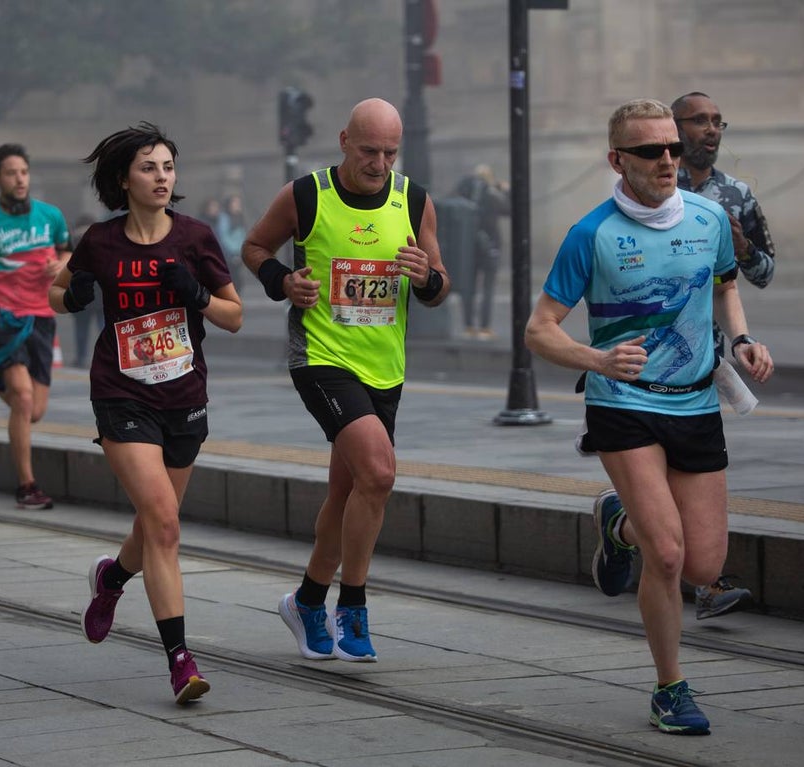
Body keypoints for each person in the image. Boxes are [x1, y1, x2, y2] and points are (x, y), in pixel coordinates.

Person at [524, 99, 773, 735]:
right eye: (650, 151)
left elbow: (723, 284)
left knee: (703, 567)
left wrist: (741, 339)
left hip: (695, 402)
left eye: (672, 148)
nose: (668, 160)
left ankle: (617, 524)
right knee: (666, 554)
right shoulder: (592, 234)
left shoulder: (711, 217)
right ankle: (670, 689)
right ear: (618, 160)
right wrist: (596, 359)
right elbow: (539, 331)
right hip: (623, 404)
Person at [242, 98, 449, 663]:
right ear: (343, 141)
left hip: (385, 366)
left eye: (389, 152)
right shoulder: (306, 195)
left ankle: (308, 599)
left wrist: (427, 276)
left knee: (349, 489)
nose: (379, 163)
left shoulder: (415, 201)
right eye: (368, 151)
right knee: (379, 474)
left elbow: (438, 287)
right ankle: (352, 603)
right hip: (321, 357)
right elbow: (254, 247)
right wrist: (284, 282)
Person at [50, 122, 241, 704]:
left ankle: (112, 578)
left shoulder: (196, 237)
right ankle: (181, 661)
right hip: (121, 394)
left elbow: (234, 317)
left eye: (168, 167)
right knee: (163, 521)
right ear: (123, 181)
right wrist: (75, 296)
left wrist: (197, 294)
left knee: (154, 525)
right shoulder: (101, 242)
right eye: (149, 168)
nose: (162, 178)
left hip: (183, 396)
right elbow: (57, 293)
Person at [673, 91, 777, 619]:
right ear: (674, 130)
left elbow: (763, 272)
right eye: (698, 121)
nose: (710, 130)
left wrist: (742, 251)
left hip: (709, 356)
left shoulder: (736, 195)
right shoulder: (649, 187)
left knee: (698, 466)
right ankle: (642, 535)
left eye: (717, 122)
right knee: (669, 463)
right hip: (652, 353)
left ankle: (700, 578)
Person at [0, 143, 70, 510]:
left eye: (23, 172)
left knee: (34, 410)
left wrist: (63, 265)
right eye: (11, 173)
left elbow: (67, 251)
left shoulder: (51, 215)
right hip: (2, 314)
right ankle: (27, 486)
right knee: (21, 397)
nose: (19, 179)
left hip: (42, 316)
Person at [452, 164, 509, 340]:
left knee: (468, 288)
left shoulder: (465, 192)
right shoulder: (492, 194)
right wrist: (506, 191)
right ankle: (484, 327)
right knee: (487, 288)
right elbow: (509, 210)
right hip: (490, 245)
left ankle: (468, 326)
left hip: (468, 245)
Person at [67, 213, 99, 368]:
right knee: (104, 328)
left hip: (80, 293)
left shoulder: (72, 242)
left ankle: (81, 358)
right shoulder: (101, 239)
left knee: (81, 330)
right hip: (101, 294)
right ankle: (110, 357)